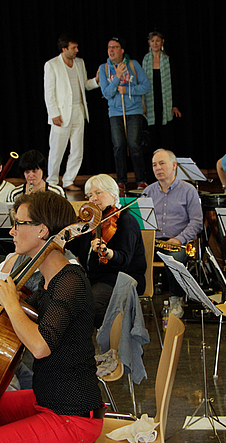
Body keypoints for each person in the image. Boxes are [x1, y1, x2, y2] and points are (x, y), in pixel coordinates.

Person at [0, 191, 104, 443]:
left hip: (73, 415)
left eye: (19, 224)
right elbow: (14, 317)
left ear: (42, 230)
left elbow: (40, 346)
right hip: (47, 399)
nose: (12, 231)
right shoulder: (48, 280)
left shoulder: (70, 281)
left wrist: (10, 301)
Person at [67, 174, 146, 327]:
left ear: (114, 194)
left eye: (98, 193)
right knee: (66, 299)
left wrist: (108, 253)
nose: (93, 198)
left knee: (92, 305)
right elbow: (74, 247)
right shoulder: (92, 221)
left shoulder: (126, 221)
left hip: (121, 278)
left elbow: (124, 261)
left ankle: (109, 341)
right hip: (94, 278)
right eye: (90, 195)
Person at [143, 149, 203, 318]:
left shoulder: (188, 190)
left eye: (162, 163)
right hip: (154, 241)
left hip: (179, 242)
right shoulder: (148, 191)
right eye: (154, 164)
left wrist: (179, 239)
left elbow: (197, 223)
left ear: (174, 165)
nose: (157, 168)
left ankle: (176, 298)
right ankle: (138, 296)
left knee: (174, 259)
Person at [44, 34, 99, 192]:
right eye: (73, 48)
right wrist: (54, 113)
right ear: (64, 49)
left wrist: (96, 80)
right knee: (57, 149)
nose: (77, 50)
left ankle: (68, 180)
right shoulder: (52, 65)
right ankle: (53, 181)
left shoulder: (79, 63)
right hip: (61, 112)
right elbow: (49, 93)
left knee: (77, 149)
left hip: (78, 110)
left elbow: (84, 86)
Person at [99, 37, 152, 190]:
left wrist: (128, 89)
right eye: (109, 47)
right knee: (119, 146)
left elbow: (146, 86)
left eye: (115, 47)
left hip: (134, 111)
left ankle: (141, 180)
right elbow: (107, 93)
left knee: (134, 145)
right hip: (115, 113)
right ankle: (121, 180)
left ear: (122, 50)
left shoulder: (132, 64)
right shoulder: (104, 68)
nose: (111, 50)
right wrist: (117, 78)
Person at [142, 30, 182, 151]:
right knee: (152, 139)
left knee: (166, 138)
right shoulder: (144, 61)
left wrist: (175, 105)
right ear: (149, 42)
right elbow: (140, 84)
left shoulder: (168, 61)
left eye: (157, 41)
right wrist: (142, 103)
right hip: (150, 106)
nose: (155, 43)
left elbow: (175, 84)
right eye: (152, 41)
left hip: (165, 105)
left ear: (162, 42)